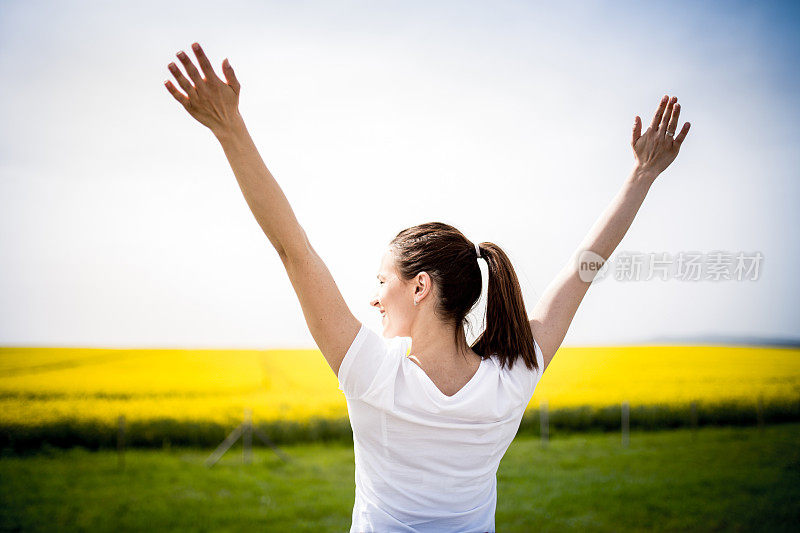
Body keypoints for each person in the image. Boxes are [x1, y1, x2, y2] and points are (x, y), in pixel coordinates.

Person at [164, 42, 691, 532]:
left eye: (381, 282)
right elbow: (584, 270)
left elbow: (292, 249)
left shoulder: (372, 375)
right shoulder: (513, 377)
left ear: (420, 287)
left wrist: (230, 129)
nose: (373, 297)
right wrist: (642, 175)